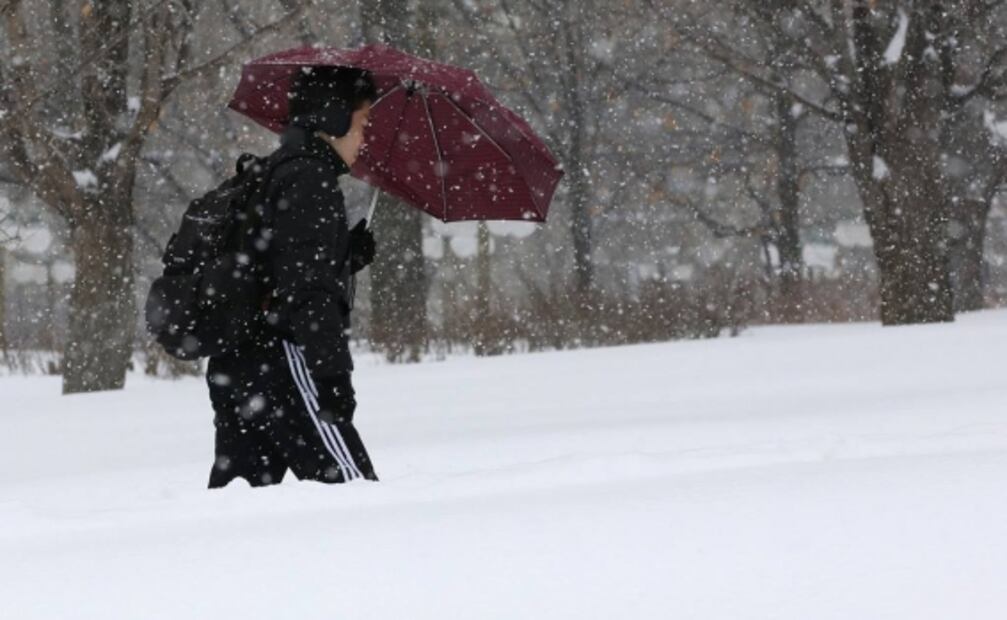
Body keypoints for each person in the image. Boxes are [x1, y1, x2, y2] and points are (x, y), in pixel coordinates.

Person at [205, 65, 379, 488]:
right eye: (362, 124)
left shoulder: (273, 171)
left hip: (237, 362)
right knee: (354, 494)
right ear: (333, 119)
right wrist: (333, 378)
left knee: (240, 507)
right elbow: (308, 291)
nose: (365, 138)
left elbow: (277, 264)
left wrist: (344, 255)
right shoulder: (310, 179)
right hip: (281, 361)